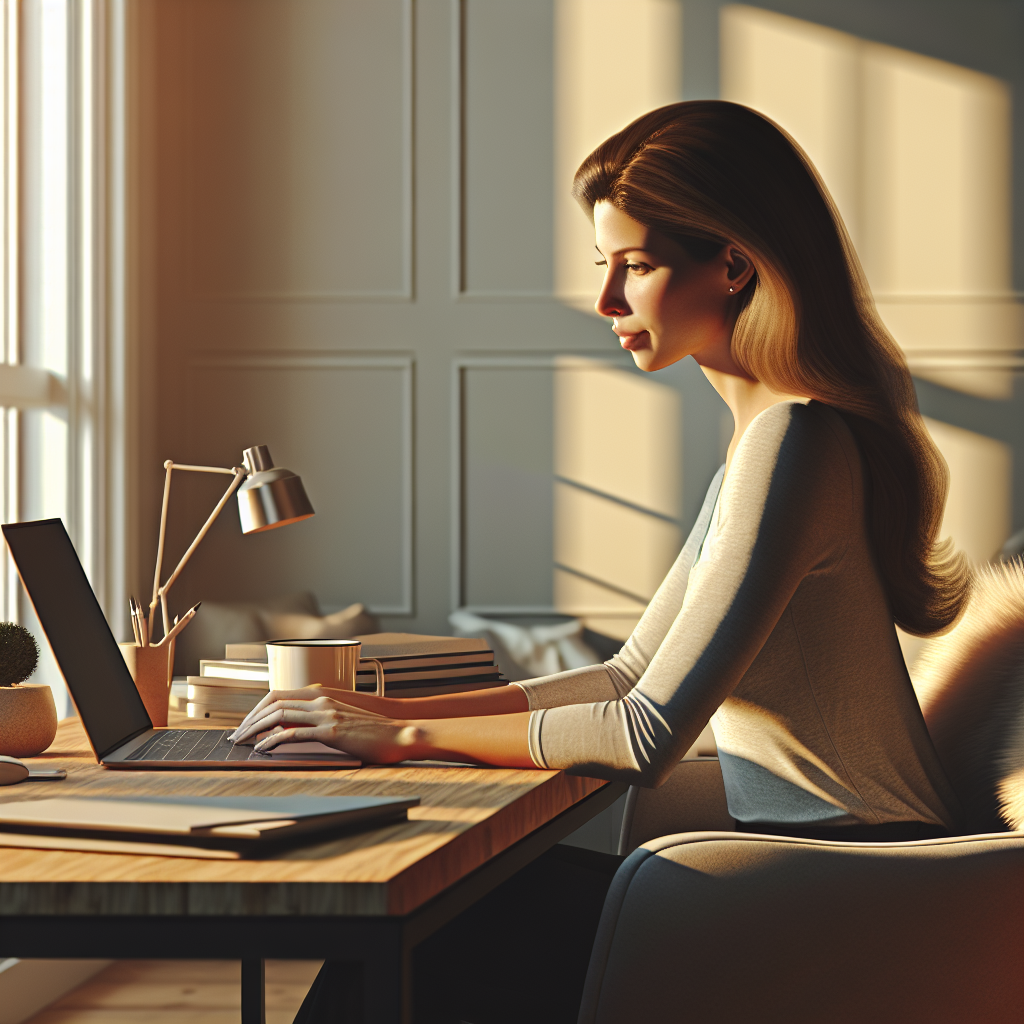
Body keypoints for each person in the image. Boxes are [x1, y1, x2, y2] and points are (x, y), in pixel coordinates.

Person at [236, 101, 970, 1023]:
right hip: (809, 873)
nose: (607, 302)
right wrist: (385, 709)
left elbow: (643, 731)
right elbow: (627, 673)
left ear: (734, 264)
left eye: (638, 266)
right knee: (425, 933)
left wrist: (401, 739)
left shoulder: (797, 440)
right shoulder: (769, 438)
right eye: (605, 267)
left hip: (850, 896)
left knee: (421, 941)